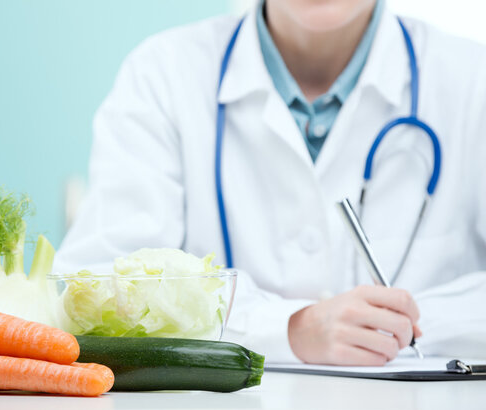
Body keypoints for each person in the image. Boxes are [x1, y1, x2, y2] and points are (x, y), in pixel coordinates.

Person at [53, 0, 486, 365]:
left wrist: (390, 326)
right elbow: (93, 285)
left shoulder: (472, 79)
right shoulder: (161, 76)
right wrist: (289, 329)